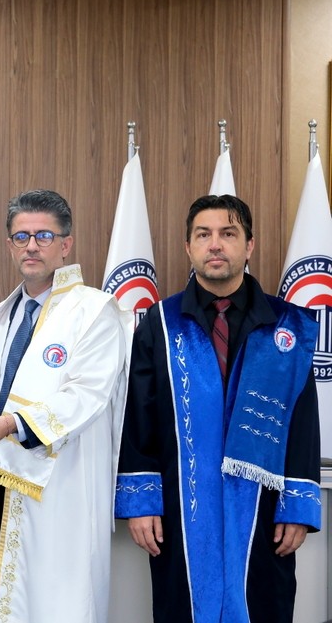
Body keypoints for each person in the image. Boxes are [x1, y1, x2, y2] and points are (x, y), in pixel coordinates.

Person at [115, 194, 321, 622]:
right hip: (182, 508)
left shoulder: (287, 327)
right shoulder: (160, 323)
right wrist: (142, 503)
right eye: (203, 235)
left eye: (228, 234)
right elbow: (139, 417)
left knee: (263, 603)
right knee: (183, 605)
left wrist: (298, 507)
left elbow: (302, 422)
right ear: (188, 247)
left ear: (249, 245)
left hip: (264, 509)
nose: (215, 245)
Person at [0, 189, 130, 622]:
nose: (31, 246)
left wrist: (11, 424)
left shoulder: (95, 311)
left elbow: (86, 396)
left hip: (64, 489)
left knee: (59, 603)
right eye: (21, 236)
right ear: (10, 245)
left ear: (66, 245)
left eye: (44, 236)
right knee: (5, 601)